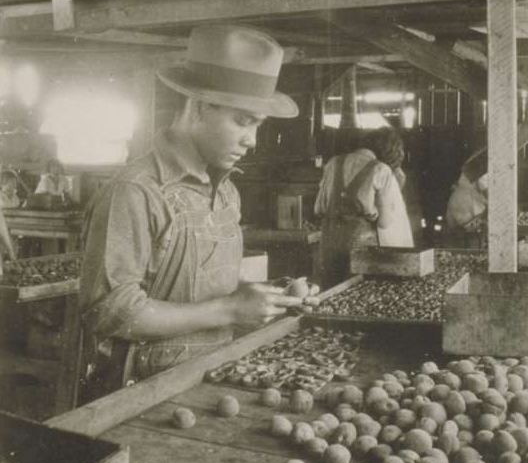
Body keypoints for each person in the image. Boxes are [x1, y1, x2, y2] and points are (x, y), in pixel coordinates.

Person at [79, 24, 304, 399]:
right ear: (199, 108)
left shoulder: (227, 192)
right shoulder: (135, 191)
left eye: (257, 125)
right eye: (242, 121)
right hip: (142, 393)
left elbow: (202, 292)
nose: (252, 140)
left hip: (214, 380)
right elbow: (110, 311)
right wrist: (232, 310)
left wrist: (262, 297)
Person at [314, 127, 413, 287]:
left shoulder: (333, 163)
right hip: (361, 245)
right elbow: (384, 223)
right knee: (355, 293)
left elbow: (318, 208)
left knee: (330, 292)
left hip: (329, 241)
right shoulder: (381, 170)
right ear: (389, 151)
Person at [445, 171, 488, 247]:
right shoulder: (484, 166)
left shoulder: (473, 164)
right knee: (472, 238)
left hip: (457, 200)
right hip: (467, 205)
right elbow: (485, 187)